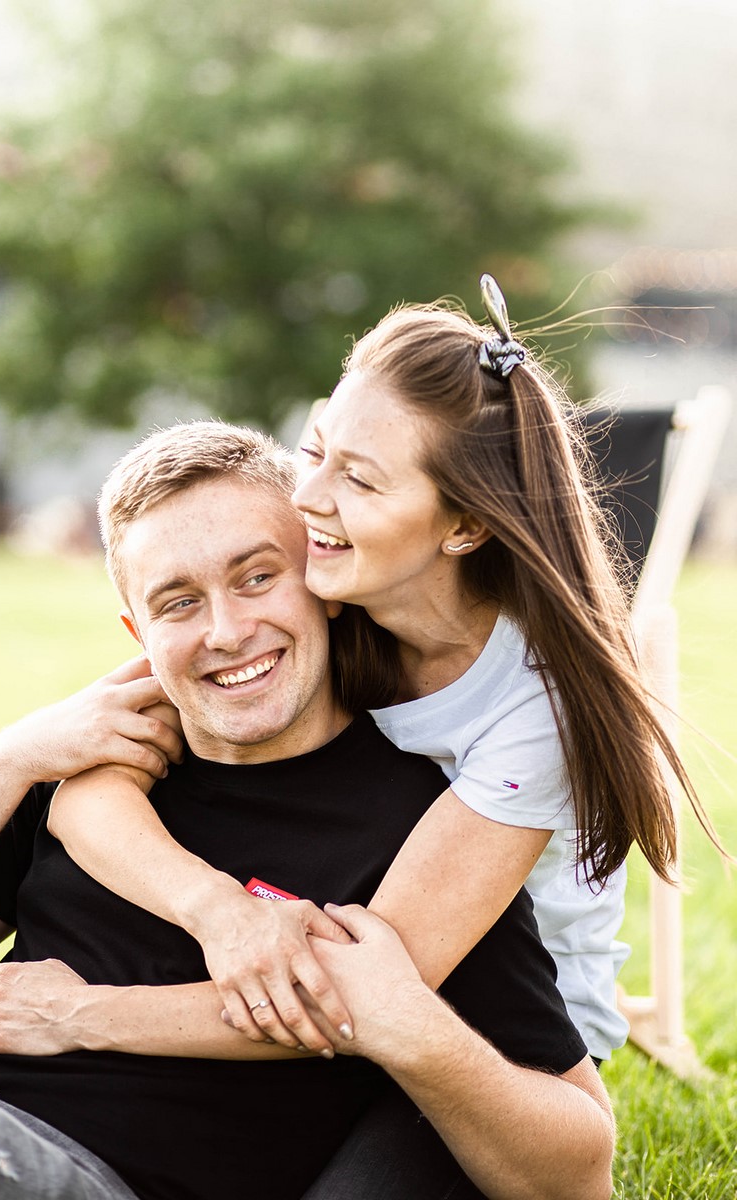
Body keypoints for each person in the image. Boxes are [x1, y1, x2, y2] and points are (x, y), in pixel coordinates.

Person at [49, 276, 722, 1067]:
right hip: (318, 971)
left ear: (465, 525)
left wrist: (81, 1017)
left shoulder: (534, 710)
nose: (306, 495)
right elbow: (92, 775)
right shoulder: (327, 596)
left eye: (358, 479)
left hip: (496, 1034)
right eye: (316, 450)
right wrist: (216, 910)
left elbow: (365, 992)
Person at [0, 421, 614, 1200]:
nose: (226, 632)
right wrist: (9, 756)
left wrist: (83, 1016)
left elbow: (578, 1165)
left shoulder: (423, 837)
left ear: (321, 585)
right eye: (178, 603)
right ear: (139, 633)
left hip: (72, 1176)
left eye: (257, 578)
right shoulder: (97, 767)